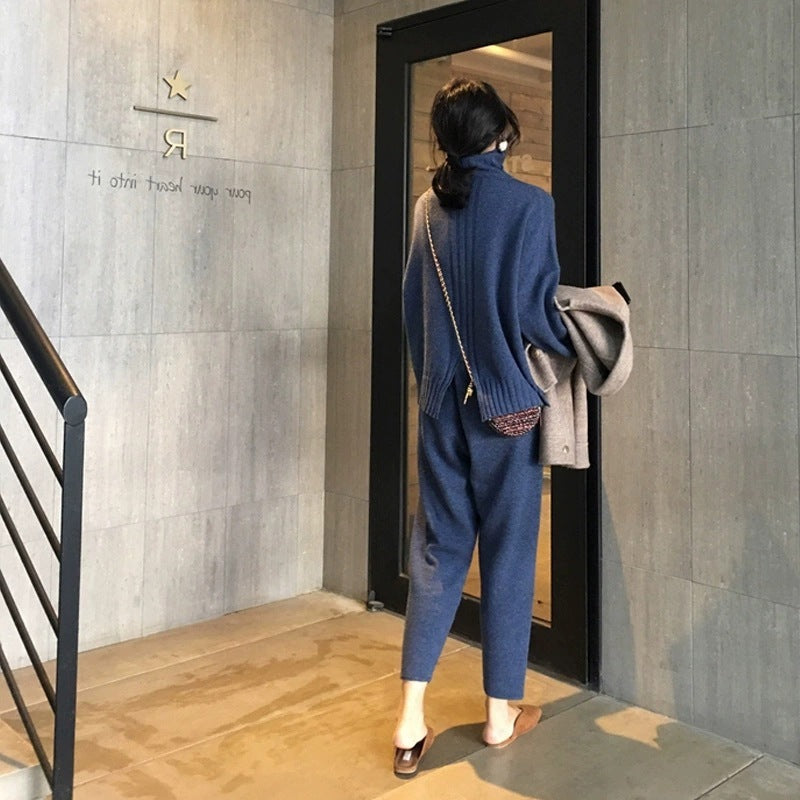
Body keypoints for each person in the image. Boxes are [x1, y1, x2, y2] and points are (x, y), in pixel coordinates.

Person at [393, 77, 574, 778]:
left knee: (437, 553)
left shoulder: (425, 209)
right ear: (500, 135)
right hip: (507, 411)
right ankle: (500, 714)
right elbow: (538, 319)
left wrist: (434, 387)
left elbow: (413, 312)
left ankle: (410, 720)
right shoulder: (531, 206)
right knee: (508, 555)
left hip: (441, 405)